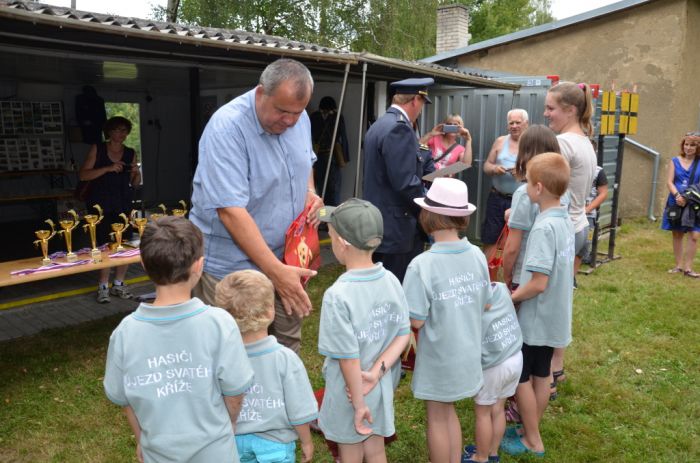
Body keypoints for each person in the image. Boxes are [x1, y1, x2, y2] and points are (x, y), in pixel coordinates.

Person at [189, 58, 323, 353]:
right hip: (232, 268)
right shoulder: (227, 127)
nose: (290, 121)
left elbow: (305, 162)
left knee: (286, 346)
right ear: (261, 93)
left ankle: (281, 397)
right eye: (282, 111)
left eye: (297, 113)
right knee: (234, 351)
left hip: (285, 260)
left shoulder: (301, 120)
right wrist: (276, 272)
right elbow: (230, 212)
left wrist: (310, 192)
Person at [103, 216, 254, 463]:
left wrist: (142, 440)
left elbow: (124, 399)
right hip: (216, 451)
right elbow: (235, 392)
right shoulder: (220, 323)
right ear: (199, 265)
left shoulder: (124, 333)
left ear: (142, 263)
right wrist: (228, 427)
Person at [316, 198, 410, 463]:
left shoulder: (338, 295)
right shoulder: (391, 279)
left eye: (331, 235)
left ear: (342, 244)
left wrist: (358, 404)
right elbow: (403, 333)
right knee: (376, 448)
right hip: (378, 386)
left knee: (351, 453)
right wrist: (376, 374)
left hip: (350, 394)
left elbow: (347, 356)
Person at [403, 178, 490, 463]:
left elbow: (415, 321)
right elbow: (486, 301)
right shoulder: (477, 254)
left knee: (437, 417)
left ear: (427, 215)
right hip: (468, 352)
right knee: (448, 410)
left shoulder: (421, 264)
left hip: (440, 357)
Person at [502, 153, 574, 458]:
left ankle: (532, 439)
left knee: (521, 378)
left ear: (539, 188)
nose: (526, 187)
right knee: (542, 374)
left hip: (536, 318)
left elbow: (537, 283)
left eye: (529, 182)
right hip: (555, 315)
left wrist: (511, 297)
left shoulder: (543, 228)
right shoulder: (563, 219)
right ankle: (532, 429)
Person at [214, 270, 317, 463]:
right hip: (275, 445)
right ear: (271, 311)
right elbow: (299, 409)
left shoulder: (219, 359)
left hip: (232, 442)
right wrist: (306, 441)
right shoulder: (286, 359)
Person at [543, 82, 596, 387]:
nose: (546, 113)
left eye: (551, 108)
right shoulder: (584, 141)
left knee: (548, 301)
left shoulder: (562, 143)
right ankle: (557, 366)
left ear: (570, 110)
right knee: (562, 297)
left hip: (561, 227)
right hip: (578, 226)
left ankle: (545, 373)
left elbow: (551, 191)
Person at [363, 77, 435, 282]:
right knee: (399, 288)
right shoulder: (400, 128)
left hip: (380, 222)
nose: (421, 109)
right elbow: (405, 183)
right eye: (422, 104)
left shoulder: (380, 124)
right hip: (398, 228)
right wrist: (427, 210)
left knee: (381, 286)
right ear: (415, 101)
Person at [78, 115, 141, 303]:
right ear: (109, 132)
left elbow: (135, 183)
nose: (120, 134)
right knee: (104, 246)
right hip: (100, 205)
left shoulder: (130, 152)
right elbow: (83, 175)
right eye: (116, 130)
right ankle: (103, 286)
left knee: (124, 245)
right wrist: (107, 168)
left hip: (123, 204)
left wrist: (137, 173)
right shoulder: (98, 148)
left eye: (123, 130)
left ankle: (119, 284)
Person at [463, 282, 523, 463]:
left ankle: (480, 457)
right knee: (498, 409)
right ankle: (492, 451)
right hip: (515, 356)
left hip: (494, 365)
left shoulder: (471, 303)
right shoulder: (501, 288)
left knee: (482, 413)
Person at [502, 125, 562, 291]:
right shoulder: (563, 189)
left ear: (525, 154)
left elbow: (512, 247)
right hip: (552, 273)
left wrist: (507, 275)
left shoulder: (524, 193)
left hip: (524, 276)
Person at [482, 109, 529, 257]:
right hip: (497, 197)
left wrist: (524, 174)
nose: (514, 126)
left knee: (517, 239)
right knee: (490, 237)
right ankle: (488, 274)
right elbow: (487, 165)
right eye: (511, 123)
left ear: (526, 124)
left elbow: (541, 174)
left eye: (518, 122)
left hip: (522, 200)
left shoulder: (533, 144)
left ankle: (511, 275)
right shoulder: (500, 141)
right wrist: (495, 169)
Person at [662, 132, 700, 277]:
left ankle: (688, 268)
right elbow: (669, 181)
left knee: (695, 235)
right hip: (676, 202)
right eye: (686, 144)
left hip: (694, 203)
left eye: (692, 145)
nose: (688, 148)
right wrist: (677, 195)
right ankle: (678, 266)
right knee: (677, 234)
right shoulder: (675, 161)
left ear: (698, 147)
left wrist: (688, 197)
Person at [310, 96, 350, 206]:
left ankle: (326, 218)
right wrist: (345, 158)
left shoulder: (314, 117)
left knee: (324, 189)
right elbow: (343, 138)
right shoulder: (337, 117)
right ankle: (328, 218)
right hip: (331, 158)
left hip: (321, 157)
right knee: (331, 190)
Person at [581, 165, 610, 265]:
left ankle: (585, 256)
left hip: (588, 214)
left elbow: (603, 193)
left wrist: (587, 209)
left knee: (587, 240)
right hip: (569, 213)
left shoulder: (598, 171)